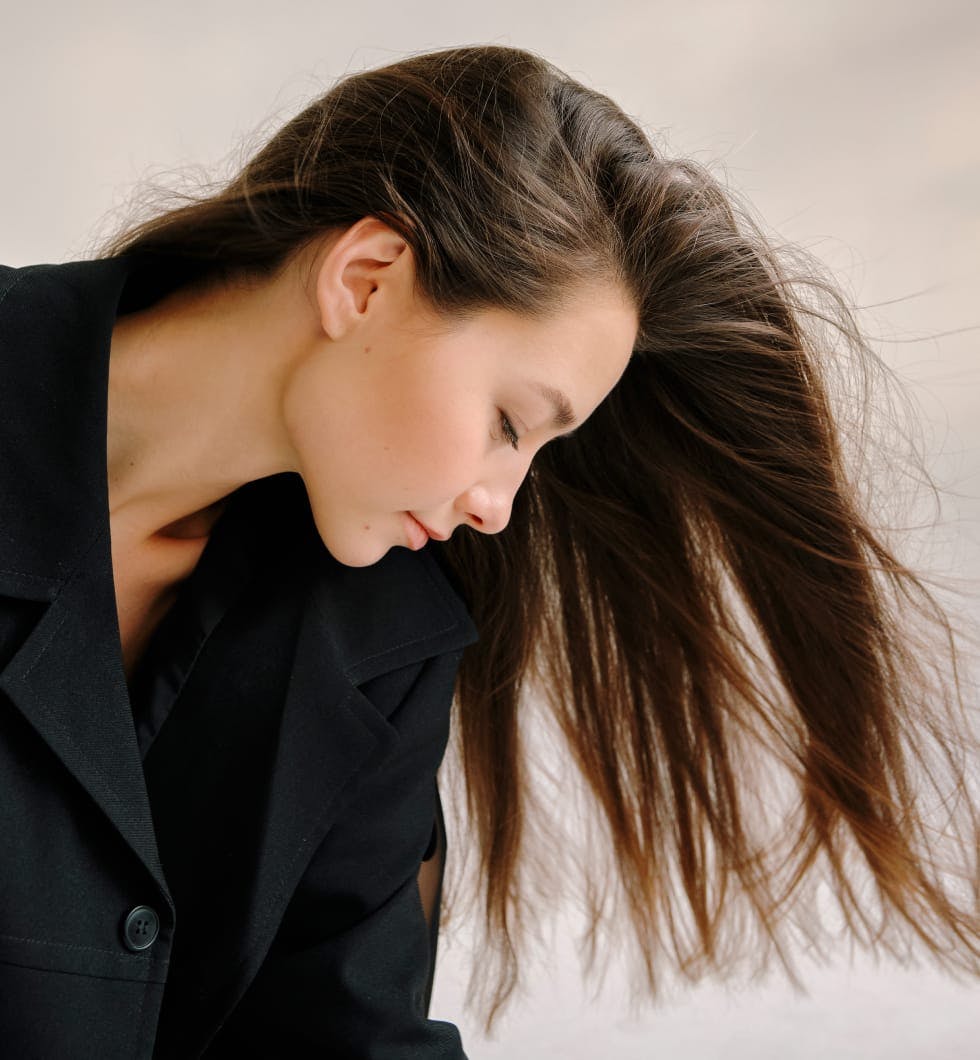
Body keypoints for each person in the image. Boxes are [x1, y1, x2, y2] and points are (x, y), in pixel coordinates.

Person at [1, 42, 977, 1058]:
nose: (498, 507)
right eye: (512, 423)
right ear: (367, 279)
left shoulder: (377, 645)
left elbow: (340, 1033)